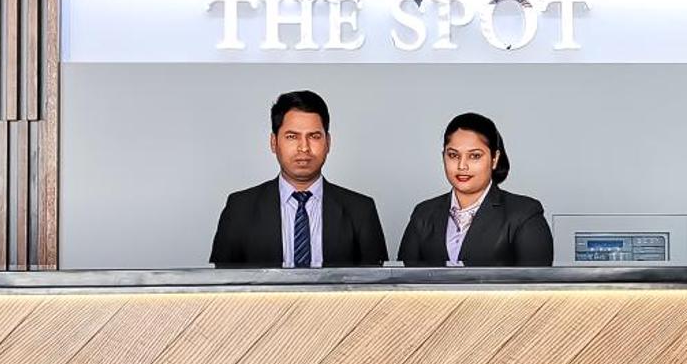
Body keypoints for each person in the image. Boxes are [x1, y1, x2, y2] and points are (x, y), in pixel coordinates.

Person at [210, 90, 388, 268]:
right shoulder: (239, 209)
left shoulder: (361, 210)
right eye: (292, 137)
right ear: (274, 142)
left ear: (328, 143)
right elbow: (219, 281)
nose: (304, 147)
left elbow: (380, 282)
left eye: (314, 136)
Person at [397, 112, 552, 267]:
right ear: (443, 156)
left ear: (495, 159)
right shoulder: (423, 213)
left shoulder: (524, 214)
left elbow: (535, 280)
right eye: (453, 155)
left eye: (475, 156)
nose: (462, 166)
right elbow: (400, 278)